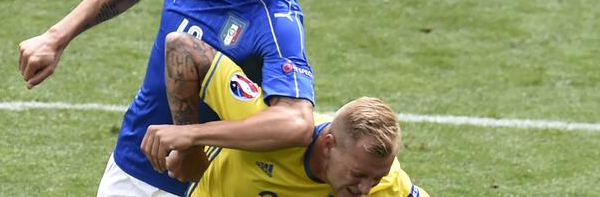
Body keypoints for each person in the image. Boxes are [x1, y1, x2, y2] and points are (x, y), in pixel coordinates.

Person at [18, 0, 316, 196]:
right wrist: (55, 37)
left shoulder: (277, 22)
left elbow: (297, 122)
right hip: (133, 163)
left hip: (207, 181)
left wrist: (191, 137)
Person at [142, 33, 429, 197]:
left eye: (375, 179)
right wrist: (189, 141)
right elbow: (182, 47)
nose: (366, 189)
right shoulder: (269, 124)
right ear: (328, 145)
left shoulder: (384, 178)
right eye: (359, 175)